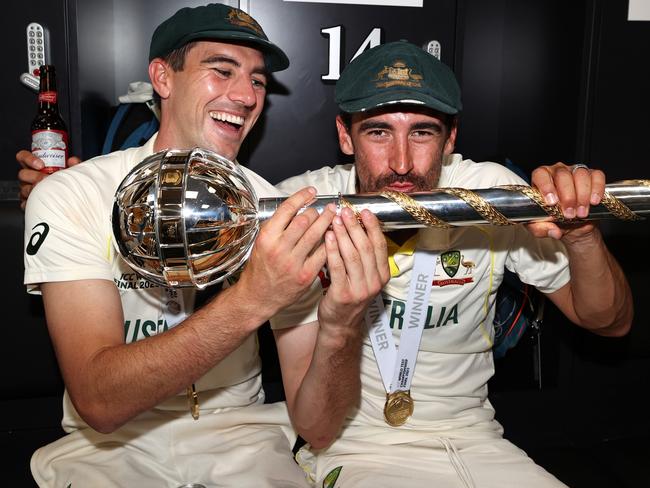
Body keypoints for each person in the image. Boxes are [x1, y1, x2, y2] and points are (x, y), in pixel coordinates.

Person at [22, 4, 387, 487]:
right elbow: (100, 402)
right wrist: (254, 298)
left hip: (243, 442)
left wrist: (341, 327)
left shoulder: (274, 210)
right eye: (222, 71)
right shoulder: (75, 193)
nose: (245, 96)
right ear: (162, 78)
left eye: (257, 81)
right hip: (109, 450)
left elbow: (317, 428)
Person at [271, 40, 633, 488]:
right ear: (346, 136)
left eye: (422, 132)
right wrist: (341, 323)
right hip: (357, 447)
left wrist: (581, 235)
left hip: (478, 442)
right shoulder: (300, 211)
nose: (402, 162)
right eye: (378, 132)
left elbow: (609, 322)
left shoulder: (488, 193)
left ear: (450, 138)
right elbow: (316, 428)